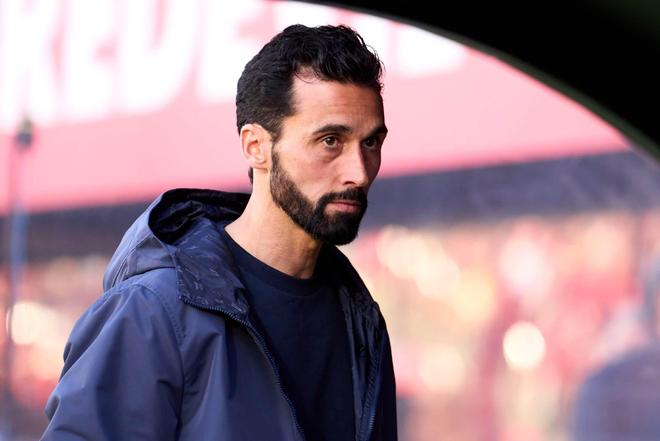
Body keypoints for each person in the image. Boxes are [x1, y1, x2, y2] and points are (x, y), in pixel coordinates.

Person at [40, 23, 397, 441]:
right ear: (256, 147)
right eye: (331, 141)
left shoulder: (361, 322)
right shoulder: (152, 311)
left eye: (371, 143)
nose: (359, 172)